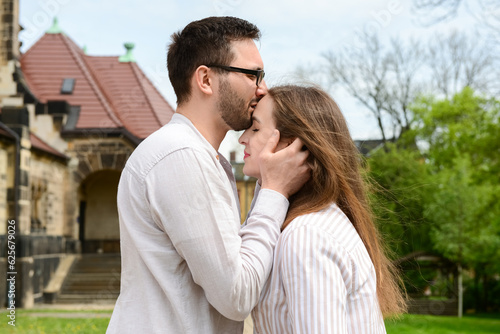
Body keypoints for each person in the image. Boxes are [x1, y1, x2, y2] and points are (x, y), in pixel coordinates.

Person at [106, 18, 310, 334]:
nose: (262, 88)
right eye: (253, 74)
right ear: (206, 79)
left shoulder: (203, 159)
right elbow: (236, 296)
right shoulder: (181, 156)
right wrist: (275, 191)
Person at [239, 85, 407, 333]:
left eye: (255, 128)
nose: (243, 137)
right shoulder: (316, 222)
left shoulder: (306, 236)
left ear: (293, 145)